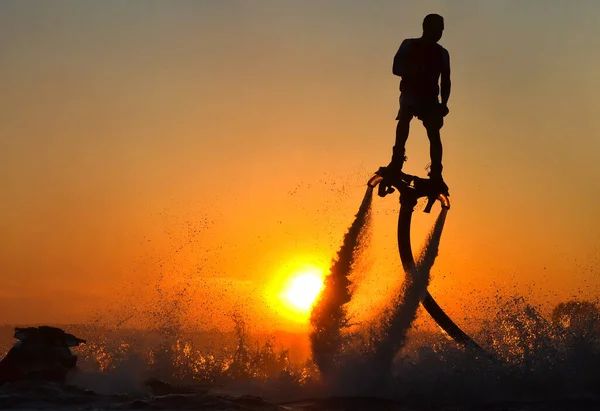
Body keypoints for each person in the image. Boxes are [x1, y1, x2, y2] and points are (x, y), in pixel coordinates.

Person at [388, 13, 451, 185]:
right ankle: (397, 160)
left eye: (441, 29)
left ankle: (436, 172)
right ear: (426, 27)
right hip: (410, 94)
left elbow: (446, 80)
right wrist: (414, 70)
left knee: (434, 133)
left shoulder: (442, 53)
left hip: (430, 99)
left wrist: (444, 104)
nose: (439, 33)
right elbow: (396, 68)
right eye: (437, 28)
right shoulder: (409, 44)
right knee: (404, 119)